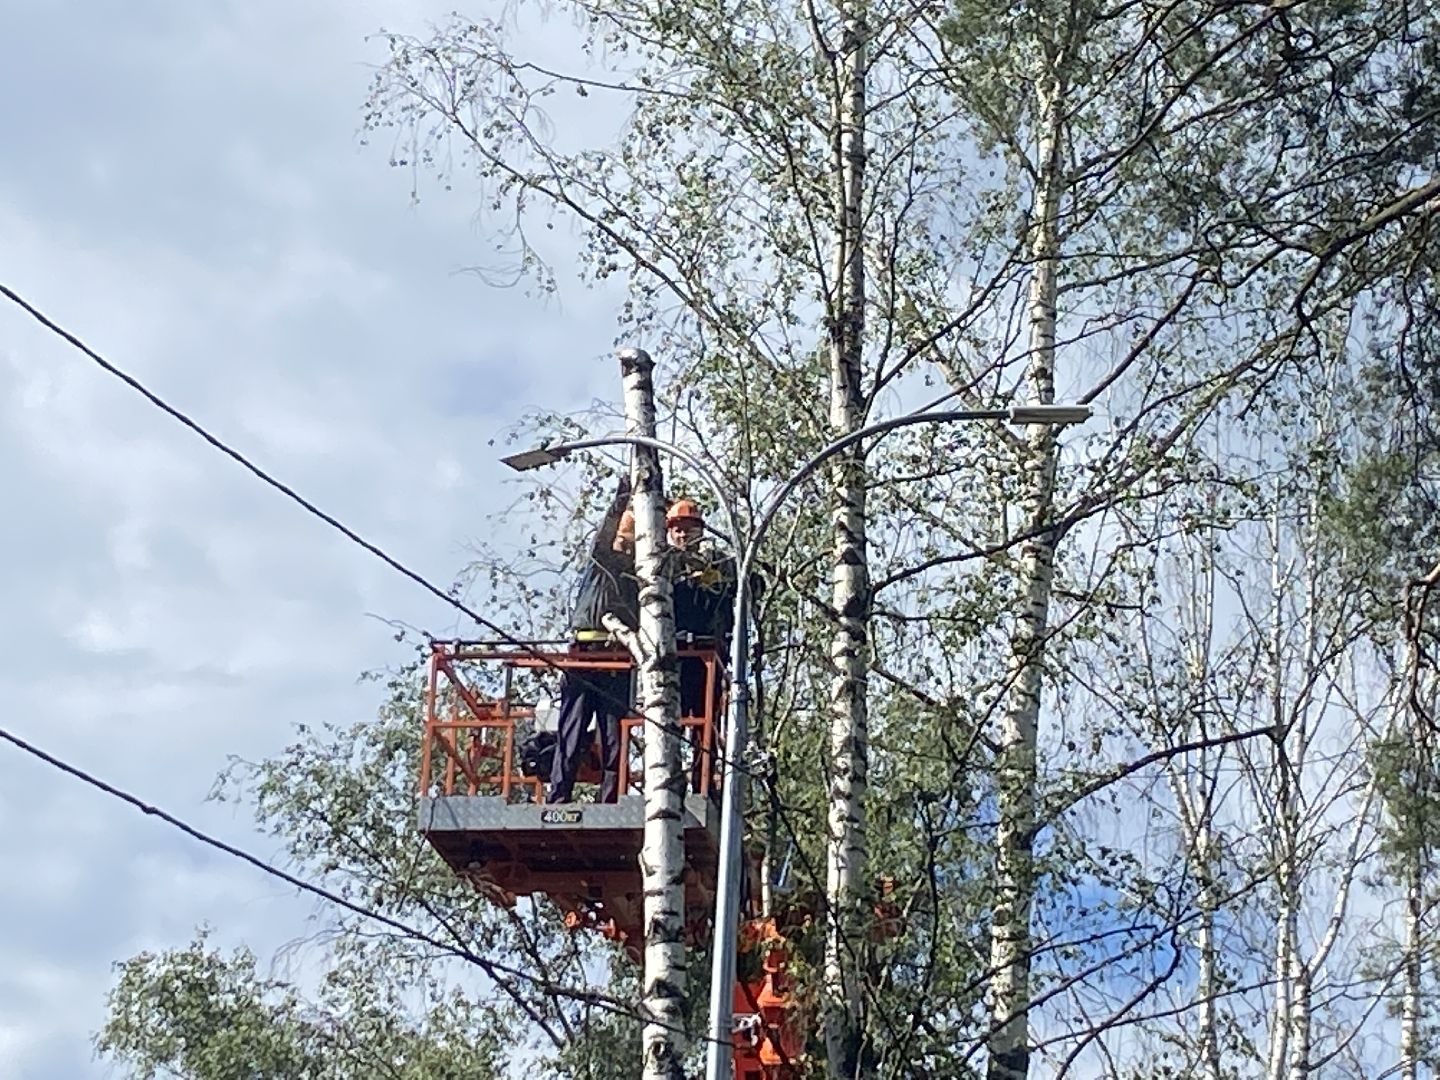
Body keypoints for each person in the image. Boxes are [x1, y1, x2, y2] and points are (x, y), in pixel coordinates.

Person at [547, 479, 638, 804]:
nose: (624, 546)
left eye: (631, 541)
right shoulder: (601, 562)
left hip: (617, 662)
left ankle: (610, 799)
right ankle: (559, 795)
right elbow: (606, 532)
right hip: (584, 656)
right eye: (623, 539)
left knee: (615, 736)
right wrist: (622, 500)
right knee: (571, 730)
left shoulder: (640, 578)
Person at [666, 499, 737, 721]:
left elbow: (752, 584)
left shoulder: (720, 560)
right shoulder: (664, 563)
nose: (683, 535)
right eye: (677, 530)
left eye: (688, 529)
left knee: (706, 721)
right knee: (670, 717)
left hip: (709, 650)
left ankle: (706, 754)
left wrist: (718, 579)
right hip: (674, 653)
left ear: (700, 530)